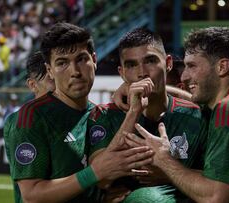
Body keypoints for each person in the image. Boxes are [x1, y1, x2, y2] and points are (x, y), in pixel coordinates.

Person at [126, 27, 229, 202]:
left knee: (144, 199)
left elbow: (214, 197)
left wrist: (163, 159)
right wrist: (128, 89)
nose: (184, 76)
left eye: (192, 66)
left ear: (222, 67)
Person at [3, 22, 154, 203]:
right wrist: (94, 174)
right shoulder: (33, 116)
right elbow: (32, 196)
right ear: (50, 71)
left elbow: (105, 176)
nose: (75, 71)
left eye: (81, 59)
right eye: (62, 63)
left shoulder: (100, 115)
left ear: (94, 60)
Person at [87, 27, 206, 202]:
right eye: (131, 65)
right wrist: (133, 112)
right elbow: (101, 179)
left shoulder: (195, 116)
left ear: (168, 63)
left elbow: (217, 180)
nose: (141, 72)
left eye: (150, 61)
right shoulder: (104, 115)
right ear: (122, 73)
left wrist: (169, 172)